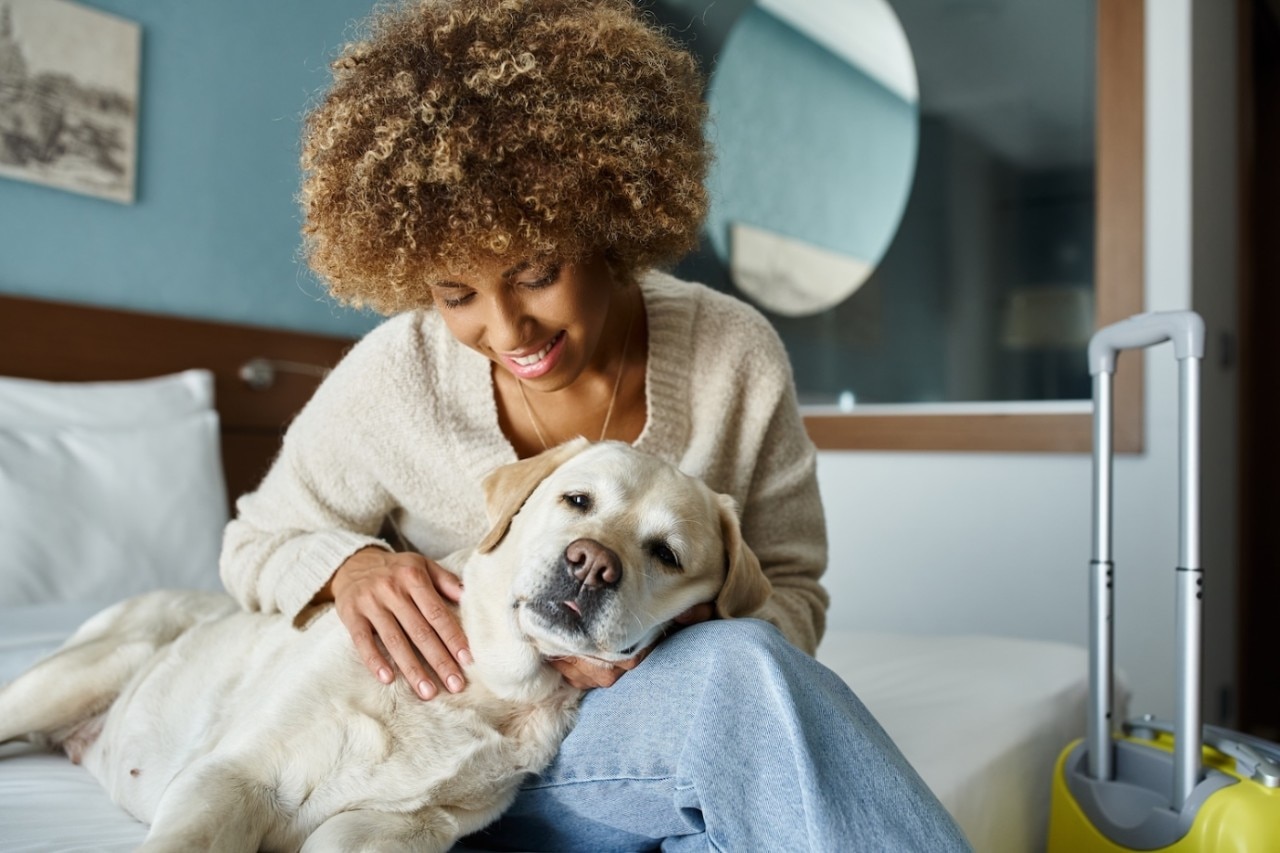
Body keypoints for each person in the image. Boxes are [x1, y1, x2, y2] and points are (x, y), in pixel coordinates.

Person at [220, 1, 970, 849]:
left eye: (537, 272)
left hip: (618, 747)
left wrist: (678, 634)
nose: (507, 333)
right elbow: (256, 540)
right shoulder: (403, 372)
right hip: (427, 756)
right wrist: (351, 567)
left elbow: (791, 590)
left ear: (612, 223)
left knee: (739, 674)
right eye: (456, 294)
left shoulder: (734, 356)